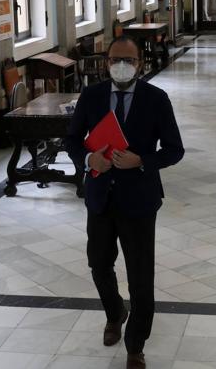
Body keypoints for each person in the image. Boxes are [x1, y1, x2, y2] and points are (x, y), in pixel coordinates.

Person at [65, 36, 184, 369]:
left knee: (141, 277)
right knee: (98, 264)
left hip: (140, 201)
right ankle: (115, 311)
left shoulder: (156, 99)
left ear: (140, 64)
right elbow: (73, 140)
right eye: (116, 59)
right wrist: (90, 161)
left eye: (129, 60)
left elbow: (175, 149)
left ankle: (136, 344)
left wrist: (142, 160)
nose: (122, 65)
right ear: (106, 62)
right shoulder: (91, 97)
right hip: (101, 197)